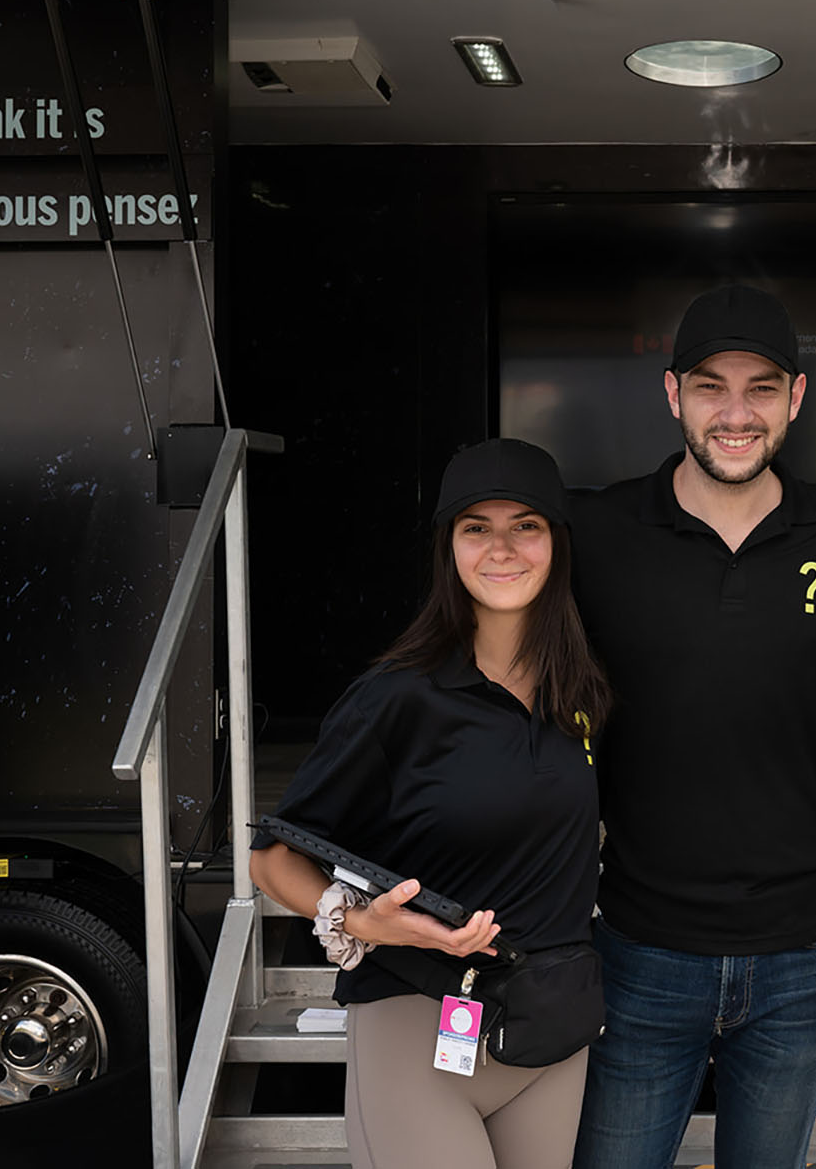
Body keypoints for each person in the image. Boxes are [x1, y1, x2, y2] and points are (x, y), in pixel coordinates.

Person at [569, 284, 816, 1169]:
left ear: (797, 397)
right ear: (673, 395)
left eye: (760, 387)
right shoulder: (597, 532)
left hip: (805, 947)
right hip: (641, 942)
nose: (735, 413)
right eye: (711, 386)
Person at [251, 438, 611, 1169]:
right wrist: (365, 921)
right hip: (419, 1027)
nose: (501, 548)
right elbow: (274, 859)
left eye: (527, 526)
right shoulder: (397, 697)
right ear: (449, 548)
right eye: (476, 527)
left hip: (548, 1030)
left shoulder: (583, 693)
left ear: (558, 545)